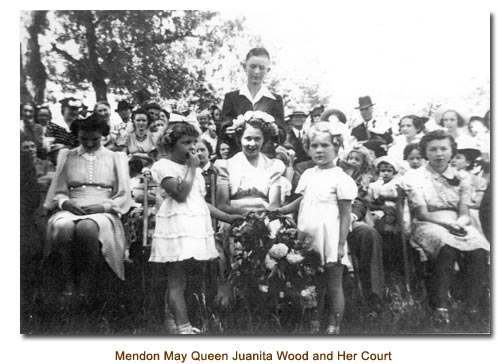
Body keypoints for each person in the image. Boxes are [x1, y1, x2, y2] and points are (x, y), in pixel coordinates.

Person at [148, 122, 238, 334]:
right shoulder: (164, 166)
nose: (192, 147)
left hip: (195, 227)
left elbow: (198, 201)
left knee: (190, 277)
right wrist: (191, 168)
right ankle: (182, 326)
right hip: (176, 228)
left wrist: (227, 217)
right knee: (177, 279)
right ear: (171, 144)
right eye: (186, 142)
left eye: (194, 141)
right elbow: (180, 194)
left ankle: (181, 318)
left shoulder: (194, 169)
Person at [277, 122, 357, 334]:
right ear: (308, 148)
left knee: (333, 284)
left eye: (325, 145)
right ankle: (314, 321)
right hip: (309, 235)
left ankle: (334, 325)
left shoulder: (341, 178)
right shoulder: (308, 174)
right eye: (314, 146)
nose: (319, 150)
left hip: (330, 237)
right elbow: (302, 201)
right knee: (313, 283)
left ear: (336, 146)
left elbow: (346, 214)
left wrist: (340, 245)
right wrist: (282, 210)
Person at [401, 130, 489, 322]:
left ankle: (472, 305)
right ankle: (440, 305)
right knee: (446, 245)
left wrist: (459, 223)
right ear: (425, 152)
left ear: (451, 151)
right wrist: (447, 224)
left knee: (480, 247)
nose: (439, 154)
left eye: (444, 149)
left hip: (458, 223)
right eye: (433, 149)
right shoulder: (415, 177)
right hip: (427, 223)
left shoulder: (463, 177)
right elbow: (421, 213)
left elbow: (464, 212)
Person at [43, 114, 132, 300]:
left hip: (103, 207)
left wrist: (104, 206)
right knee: (63, 226)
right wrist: (64, 202)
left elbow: (124, 194)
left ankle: (88, 283)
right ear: (77, 136)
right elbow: (57, 190)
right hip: (71, 206)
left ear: (103, 136)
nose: (90, 144)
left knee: (87, 227)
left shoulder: (116, 157)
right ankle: (68, 282)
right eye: (84, 139)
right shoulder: (67, 155)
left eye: (95, 139)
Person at [220, 47, 285, 157]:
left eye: (262, 68)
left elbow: (283, 134)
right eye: (253, 66)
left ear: (267, 71)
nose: (256, 72)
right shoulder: (232, 98)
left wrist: (276, 131)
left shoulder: (275, 100)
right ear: (245, 67)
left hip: (265, 157)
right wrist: (229, 132)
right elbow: (223, 130)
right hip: (238, 156)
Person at [215, 117, 285, 215]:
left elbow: (274, 204)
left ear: (263, 140)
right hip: (233, 217)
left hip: (265, 217)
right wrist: (247, 214)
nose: (252, 143)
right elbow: (222, 205)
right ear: (240, 139)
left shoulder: (273, 166)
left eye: (257, 139)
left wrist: (262, 217)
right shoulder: (226, 166)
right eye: (248, 138)